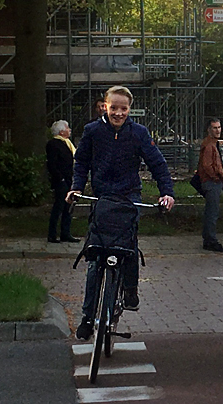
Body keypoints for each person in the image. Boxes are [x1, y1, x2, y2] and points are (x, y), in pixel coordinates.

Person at [68, 86, 175, 340]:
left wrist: (167, 192)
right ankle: (87, 317)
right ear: (104, 106)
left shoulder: (139, 133)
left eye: (123, 108)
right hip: (102, 197)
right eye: (113, 107)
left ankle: (130, 289)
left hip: (129, 196)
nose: (118, 113)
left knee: (129, 245)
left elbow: (157, 163)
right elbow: (81, 162)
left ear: (130, 109)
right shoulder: (92, 131)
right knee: (95, 257)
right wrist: (76, 188)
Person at [194, 118, 223, 252]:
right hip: (211, 182)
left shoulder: (212, 143)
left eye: (219, 127)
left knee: (212, 212)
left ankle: (209, 238)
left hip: (211, 181)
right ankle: (210, 240)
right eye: (214, 128)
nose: (218, 130)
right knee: (212, 213)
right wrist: (216, 177)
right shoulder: (209, 145)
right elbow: (207, 165)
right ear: (209, 129)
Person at [45, 120, 75, 243]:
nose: (70, 130)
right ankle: (52, 234)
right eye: (68, 128)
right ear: (61, 131)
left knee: (68, 207)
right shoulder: (54, 144)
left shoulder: (67, 143)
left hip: (69, 179)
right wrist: (60, 178)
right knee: (58, 207)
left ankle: (65, 233)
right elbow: (52, 164)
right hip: (61, 180)